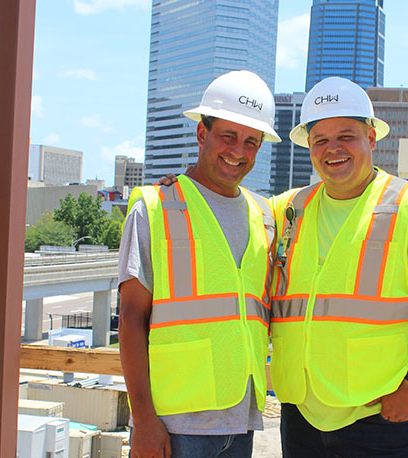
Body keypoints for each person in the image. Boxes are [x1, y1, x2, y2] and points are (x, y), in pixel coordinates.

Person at [269, 77, 408, 457]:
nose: (333, 149)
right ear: (309, 147)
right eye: (321, 140)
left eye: (346, 136)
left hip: (388, 420)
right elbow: (230, 208)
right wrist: (181, 185)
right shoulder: (289, 209)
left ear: (371, 138)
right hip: (303, 418)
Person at [118, 70, 281, 458]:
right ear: (202, 134)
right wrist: (143, 420)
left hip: (241, 422)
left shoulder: (265, 215)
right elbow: (130, 318)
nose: (238, 151)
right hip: (175, 426)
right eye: (228, 136)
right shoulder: (155, 207)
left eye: (251, 142)